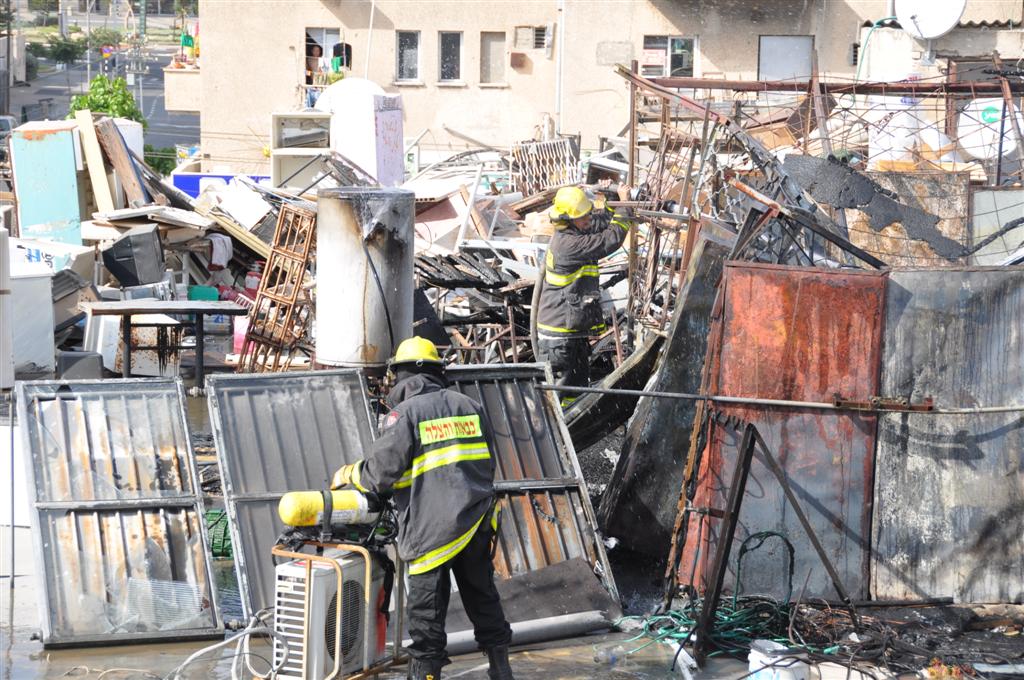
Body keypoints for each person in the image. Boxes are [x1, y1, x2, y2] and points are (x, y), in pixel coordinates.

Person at [331, 337, 514, 680]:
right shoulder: (469, 406)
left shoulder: (405, 414)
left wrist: (349, 474)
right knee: (482, 597)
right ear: (436, 372)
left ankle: (425, 676)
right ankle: (501, 670)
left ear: (404, 375)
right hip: (475, 522)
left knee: (426, 614)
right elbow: (486, 465)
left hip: (433, 530)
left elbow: (379, 476)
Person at [534, 184, 633, 406]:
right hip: (559, 338)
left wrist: (612, 197)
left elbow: (601, 222)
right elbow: (610, 239)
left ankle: (572, 436)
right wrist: (625, 206)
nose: (589, 218)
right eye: (584, 215)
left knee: (575, 395)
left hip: (571, 334)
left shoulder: (576, 229)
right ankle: (557, 437)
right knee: (557, 400)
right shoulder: (568, 245)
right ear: (569, 219)